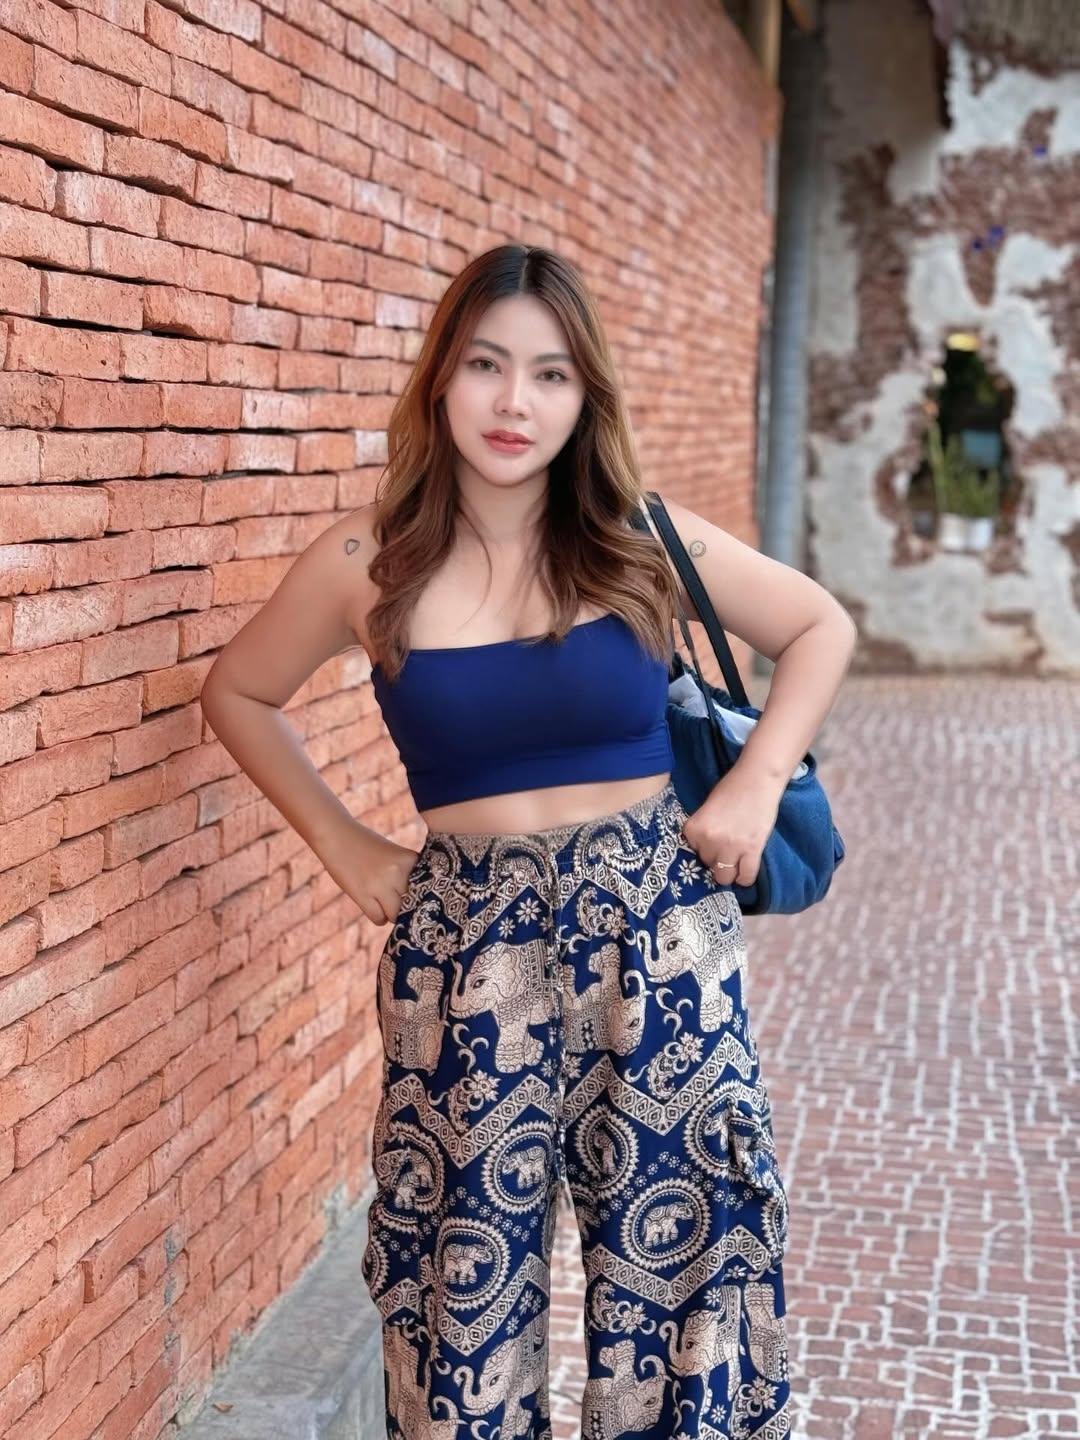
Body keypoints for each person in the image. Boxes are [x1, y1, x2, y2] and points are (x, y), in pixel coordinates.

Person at [200, 244, 856, 1440]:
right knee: (461, 1289)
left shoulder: (639, 541)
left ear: (584, 395)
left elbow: (818, 625)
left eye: (551, 375)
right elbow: (240, 693)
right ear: (441, 379)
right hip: (465, 956)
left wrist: (757, 787)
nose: (515, 403)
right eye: (487, 365)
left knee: (689, 1274)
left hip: (656, 934)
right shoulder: (367, 562)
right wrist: (347, 848)